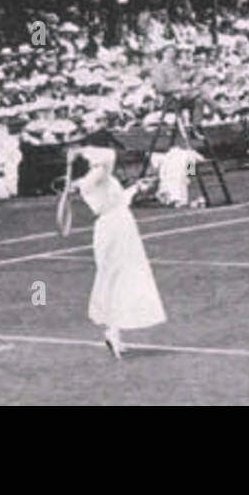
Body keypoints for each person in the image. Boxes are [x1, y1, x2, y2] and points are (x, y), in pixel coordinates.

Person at [56, 146, 166, 359]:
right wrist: (81, 151)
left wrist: (136, 189)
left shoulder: (98, 178)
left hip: (121, 224)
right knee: (117, 279)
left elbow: (118, 198)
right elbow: (109, 155)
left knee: (126, 277)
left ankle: (114, 331)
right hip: (113, 229)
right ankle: (113, 331)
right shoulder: (94, 176)